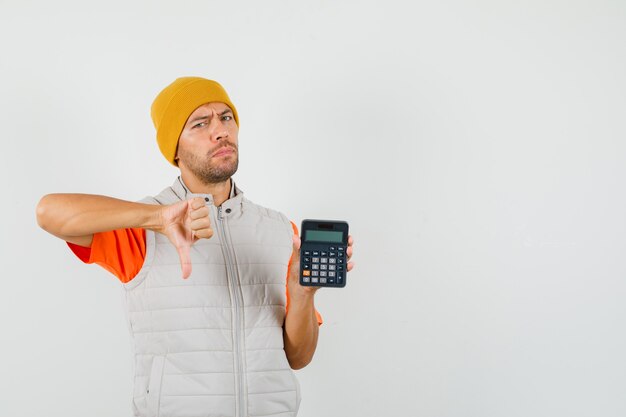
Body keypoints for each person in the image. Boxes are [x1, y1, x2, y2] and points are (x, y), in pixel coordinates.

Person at [35, 76, 354, 417]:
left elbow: (298, 357)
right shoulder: (141, 229)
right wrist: (157, 218)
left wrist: (302, 293)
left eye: (226, 117)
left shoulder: (280, 230)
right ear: (174, 149)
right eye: (200, 123)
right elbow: (48, 212)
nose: (220, 131)